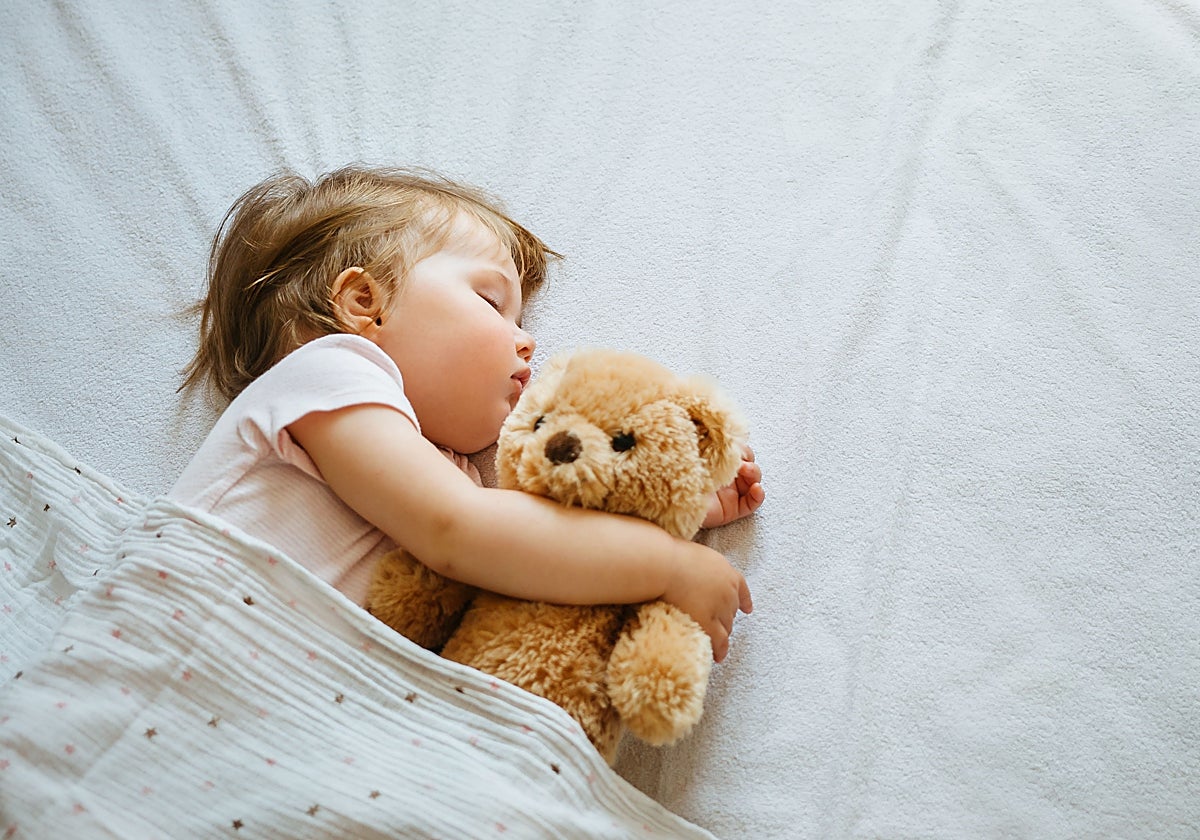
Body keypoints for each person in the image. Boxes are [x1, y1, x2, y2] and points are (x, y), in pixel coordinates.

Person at [172, 165, 764, 661]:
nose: (527, 341)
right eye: (491, 300)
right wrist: (665, 564)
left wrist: (659, 506)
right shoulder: (329, 373)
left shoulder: (451, 469)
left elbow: (526, 550)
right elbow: (460, 531)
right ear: (364, 304)